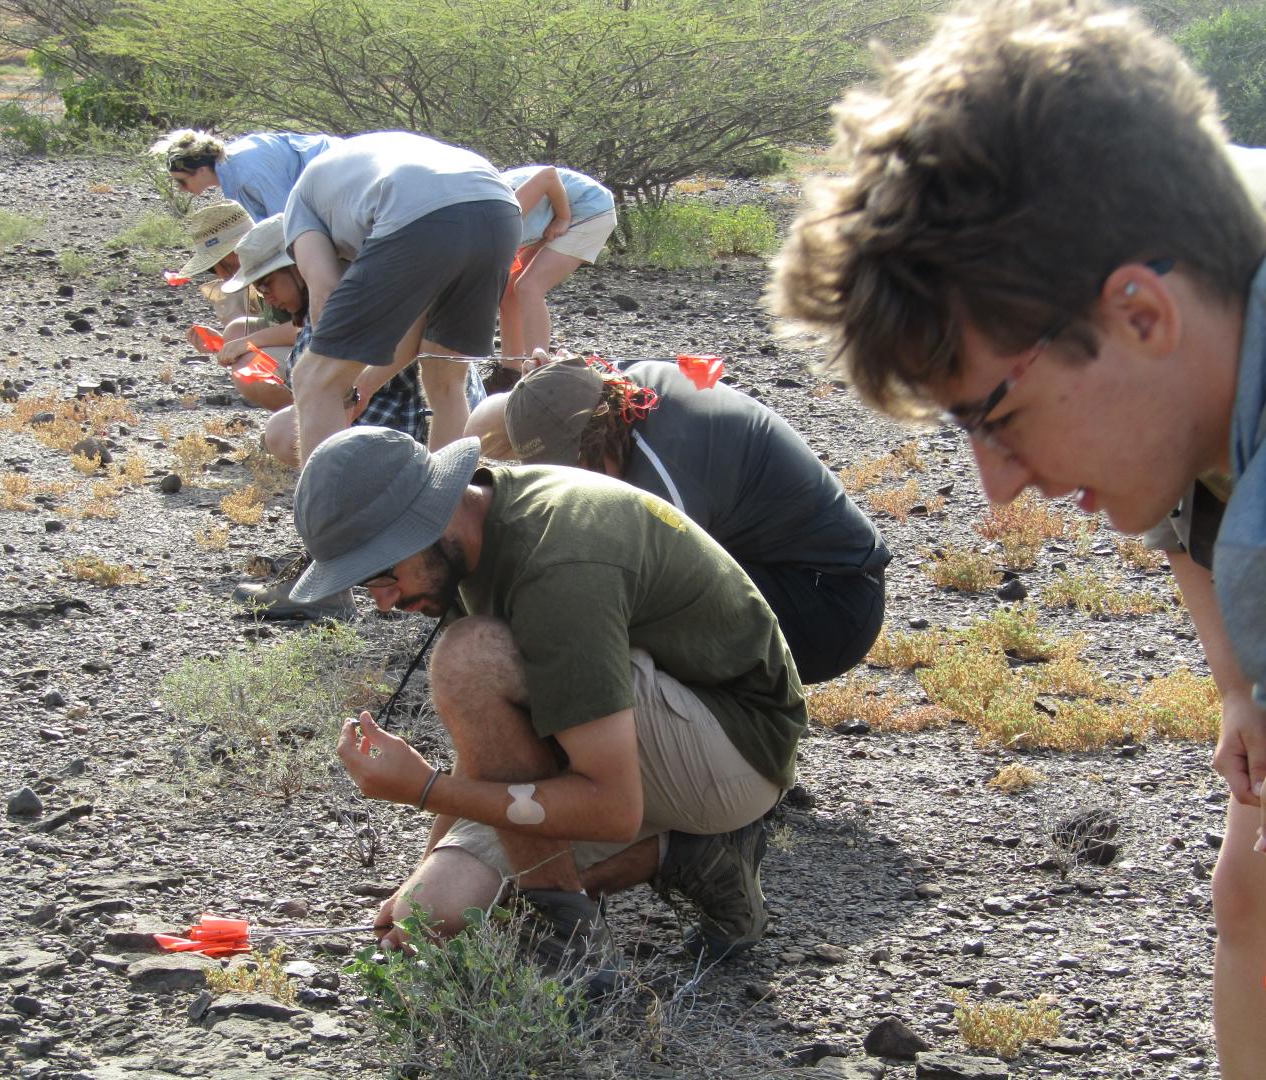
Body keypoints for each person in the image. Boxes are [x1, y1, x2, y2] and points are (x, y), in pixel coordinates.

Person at [769, 2, 1265, 1073]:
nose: (997, 492)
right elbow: (1198, 506)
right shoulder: (1212, 284)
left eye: (993, 416)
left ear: (1139, 317)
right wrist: (1240, 689)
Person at [290, 426, 807, 986]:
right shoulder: (470, 538)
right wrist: (425, 862)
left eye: (380, 575)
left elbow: (612, 809)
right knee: (435, 909)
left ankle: (569, 941)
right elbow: (489, 741)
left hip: (734, 747)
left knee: (467, 659)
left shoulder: (558, 560)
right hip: (634, 731)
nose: (384, 603)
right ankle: (691, 854)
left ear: (430, 516)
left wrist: (423, 789)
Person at [468, 357, 889, 683]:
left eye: (577, 467)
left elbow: (639, 594)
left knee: (626, 621)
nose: (575, 484)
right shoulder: (615, 383)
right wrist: (537, 388)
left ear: (599, 435)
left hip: (831, 606)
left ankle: (754, 754)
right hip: (783, 565)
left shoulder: (664, 476)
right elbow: (480, 430)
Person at [223, 216, 485, 618]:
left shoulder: (342, 296)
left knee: (289, 429)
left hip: (415, 421)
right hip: (430, 411)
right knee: (295, 420)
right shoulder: (351, 286)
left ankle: (332, 572)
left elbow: (328, 385)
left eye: (267, 283)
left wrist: (348, 394)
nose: (265, 296)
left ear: (298, 266)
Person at [281, 131, 520, 458]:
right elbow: (414, 324)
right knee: (446, 381)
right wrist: (363, 385)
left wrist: (337, 381)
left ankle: (327, 509)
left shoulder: (299, 205)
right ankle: (449, 506)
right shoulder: (348, 182)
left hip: (416, 207)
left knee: (312, 379)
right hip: (499, 208)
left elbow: (325, 290)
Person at [171, 202, 298, 411]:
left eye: (220, 264)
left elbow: (313, 326)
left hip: (329, 347)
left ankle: (307, 425)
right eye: (213, 269)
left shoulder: (289, 272)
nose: (220, 275)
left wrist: (248, 343)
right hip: (303, 336)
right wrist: (227, 344)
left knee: (248, 368)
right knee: (235, 331)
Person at [496, 166, 617, 376]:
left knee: (528, 287)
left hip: (590, 208)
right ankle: (509, 374)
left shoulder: (499, 214)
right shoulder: (476, 222)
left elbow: (548, 176)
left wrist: (562, 217)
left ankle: (539, 374)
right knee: (507, 294)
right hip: (552, 216)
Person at [151, 129, 340, 221]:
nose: (181, 189)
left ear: (201, 171)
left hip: (336, 169)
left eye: (182, 181)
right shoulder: (231, 169)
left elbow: (287, 221)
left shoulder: (245, 174)